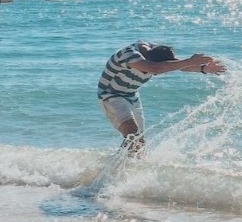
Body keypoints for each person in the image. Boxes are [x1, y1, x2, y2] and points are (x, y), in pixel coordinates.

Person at [97, 41, 227, 156]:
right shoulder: (129, 54)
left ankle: (129, 172)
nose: (153, 74)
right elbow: (156, 68)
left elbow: (175, 65)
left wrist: (203, 68)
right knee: (132, 134)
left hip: (132, 95)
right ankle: (110, 174)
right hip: (111, 95)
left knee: (139, 141)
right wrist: (190, 61)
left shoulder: (156, 53)